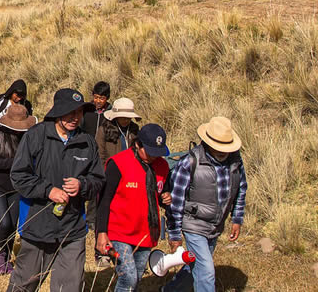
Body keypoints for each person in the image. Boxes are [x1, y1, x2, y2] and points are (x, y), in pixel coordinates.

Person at [7, 88, 105, 292]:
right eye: (70, 112)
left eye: (79, 112)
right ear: (57, 112)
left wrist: (82, 185)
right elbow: (18, 175)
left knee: (69, 288)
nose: (75, 117)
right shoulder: (37, 135)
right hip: (37, 226)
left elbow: (98, 180)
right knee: (23, 286)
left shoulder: (87, 142)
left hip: (73, 229)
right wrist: (48, 190)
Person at [163, 117, 247, 292]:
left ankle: (171, 290)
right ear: (208, 143)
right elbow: (176, 201)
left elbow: (240, 189)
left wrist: (237, 218)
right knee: (207, 272)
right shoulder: (190, 162)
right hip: (193, 223)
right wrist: (175, 234)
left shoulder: (236, 162)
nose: (224, 152)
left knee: (196, 264)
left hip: (216, 224)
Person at [96, 124, 172, 292]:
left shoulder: (163, 167)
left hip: (145, 232)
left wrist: (165, 196)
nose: (154, 157)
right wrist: (101, 233)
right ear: (138, 145)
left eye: (157, 153)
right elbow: (104, 199)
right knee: (128, 277)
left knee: (136, 277)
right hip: (119, 231)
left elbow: (160, 191)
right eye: (150, 151)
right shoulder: (118, 163)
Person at [0, 104, 36, 275]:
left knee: (12, 224)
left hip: (16, 187)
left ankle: (6, 256)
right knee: (4, 222)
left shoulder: (27, 138)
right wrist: (14, 163)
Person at [96, 97, 141, 165]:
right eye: (123, 117)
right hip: (110, 170)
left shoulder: (134, 129)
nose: (126, 120)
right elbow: (100, 155)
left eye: (128, 118)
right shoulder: (104, 130)